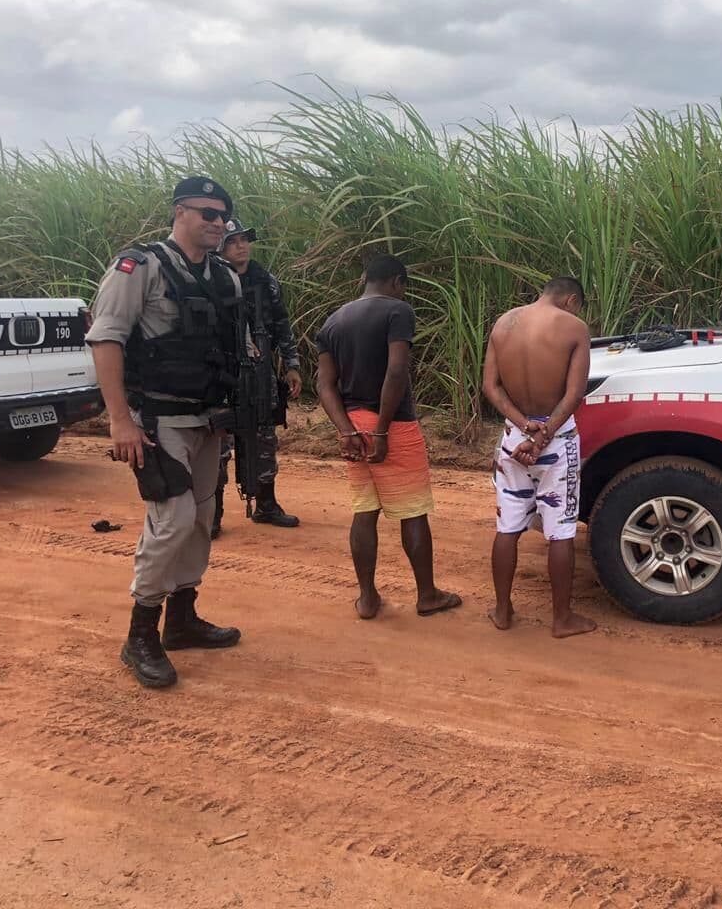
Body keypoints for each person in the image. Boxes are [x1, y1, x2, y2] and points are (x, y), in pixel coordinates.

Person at [86, 176, 245, 689]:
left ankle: (182, 618)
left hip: (209, 419)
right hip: (159, 420)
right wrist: (119, 420)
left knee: (201, 520)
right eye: (207, 213)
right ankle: (140, 635)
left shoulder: (225, 277)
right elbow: (106, 339)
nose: (218, 223)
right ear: (180, 212)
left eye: (223, 215)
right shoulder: (141, 267)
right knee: (172, 521)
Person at [314, 254, 462, 620]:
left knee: (364, 511)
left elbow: (324, 384)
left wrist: (345, 430)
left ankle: (367, 598)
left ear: (366, 279)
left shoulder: (333, 321)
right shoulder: (398, 311)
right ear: (397, 282)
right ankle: (427, 595)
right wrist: (381, 428)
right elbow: (396, 372)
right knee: (413, 512)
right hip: (391, 424)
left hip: (353, 423)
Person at [482, 276, 596, 638]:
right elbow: (575, 392)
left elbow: (491, 386)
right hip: (556, 439)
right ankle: (561, 619)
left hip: (514, 438)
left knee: (508, 526)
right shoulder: (574, 328)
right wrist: (544, 433)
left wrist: (525, 427)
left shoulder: (504, 323)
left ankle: (502, 610)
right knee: (560, 531)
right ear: (571, 301)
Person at [210, 218, 303, 536]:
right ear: (220, 246)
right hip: (221, 374)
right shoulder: (209, 279)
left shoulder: (265, 281)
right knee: (218, 445)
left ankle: (266, 504)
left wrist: (291, 364)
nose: (242, 246)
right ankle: (213, 513)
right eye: (234, 241)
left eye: (245, 240)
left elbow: (282, 323)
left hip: (260, 372)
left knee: (264, 435)